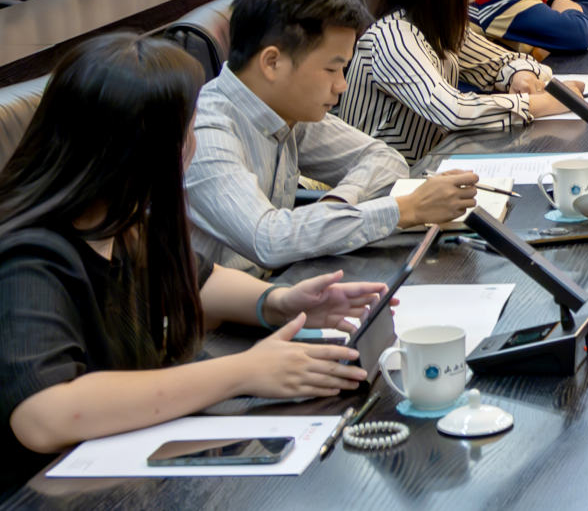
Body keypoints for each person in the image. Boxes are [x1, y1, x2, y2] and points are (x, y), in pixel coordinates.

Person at [0, 35, 383, 493]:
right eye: (186, 132)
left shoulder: (121, 222)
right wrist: (242, 372)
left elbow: (197, 279)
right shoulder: (26, 260)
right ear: (138, 149)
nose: (193, 147)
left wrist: (279, 302)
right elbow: (44, 416)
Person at [186, 0, 481, 275]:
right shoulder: (204, 133)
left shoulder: (285, 107)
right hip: (232, 303)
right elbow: (268, 239)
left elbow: (384, 158)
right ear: (272, 62)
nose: (342, 85)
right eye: (331, 69)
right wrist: (406, 209)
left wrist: (338, 204)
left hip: (284, 285)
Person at [337, 0, 575, 165]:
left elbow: (502, 60)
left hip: (431, 167)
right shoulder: (393, 39)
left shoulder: (438, 22)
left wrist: (519, 75)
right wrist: (545, 103)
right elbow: (454, 111)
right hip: (385, 181)